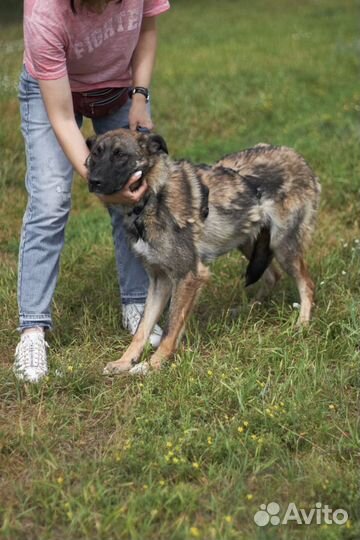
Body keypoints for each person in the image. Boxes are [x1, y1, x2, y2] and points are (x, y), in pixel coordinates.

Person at [13, 0, 170, 383]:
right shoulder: (44, 11)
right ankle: (32, 329)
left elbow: (147, 30)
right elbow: (63, 117)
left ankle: (136, 302)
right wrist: (98, 182)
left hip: (118, 89)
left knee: (137, 195)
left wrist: (139, 97)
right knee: (51, 201)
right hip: (53, 91)